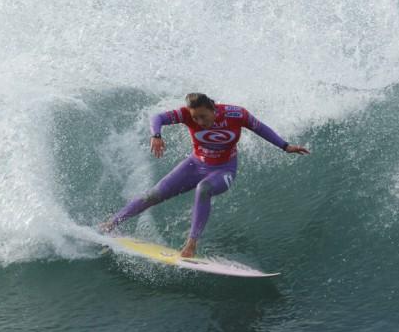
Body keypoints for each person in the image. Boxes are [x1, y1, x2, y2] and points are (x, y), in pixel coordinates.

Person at [99, 93, 309, 257]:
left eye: (203, 116)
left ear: (214, 109)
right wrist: (156, 134)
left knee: (204, 188)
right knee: (152, 195)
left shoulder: (236, 114)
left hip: (223, 170)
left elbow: (261, 128)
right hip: (194, 164)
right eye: (195, 118)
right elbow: (158, 117)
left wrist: (285, 146)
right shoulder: (187, 115)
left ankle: (191, 244)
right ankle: (111, 224)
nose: (199, 121)